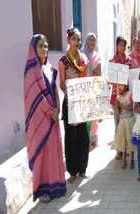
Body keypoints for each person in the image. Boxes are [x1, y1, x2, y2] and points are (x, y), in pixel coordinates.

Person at [24, 34, 66, 203]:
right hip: (41, 119)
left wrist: (57, 109)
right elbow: (36, 95)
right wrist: (51, 111)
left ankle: (56, 186)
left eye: (46, 46)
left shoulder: (49, 68)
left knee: (54, 151)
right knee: (42, 154)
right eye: (41, 46)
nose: (44, 49)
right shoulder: (31, 71)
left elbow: (55, 91)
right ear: (34, 48)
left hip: (53, 117)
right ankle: (42, 190)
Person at [59, 28, 90, 184]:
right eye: (74, 39)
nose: (77, 42)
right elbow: (62, 84)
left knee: (83, 137)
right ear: (68, 40)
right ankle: (72, 171)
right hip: (70, 104)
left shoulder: (83, 59)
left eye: (78, 39)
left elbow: (88, 80)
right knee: (71, 138)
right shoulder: (63, 61)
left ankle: (82, 169)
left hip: (82, 104)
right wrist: (71, 93)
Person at [109, 35, 132, 160]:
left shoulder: (129, 61)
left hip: (126, 97)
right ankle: (118, 150)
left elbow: (131, 78)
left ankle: (124, 148)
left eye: (124, 45)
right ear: (116, 46)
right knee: (117, 124)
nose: (122, 47)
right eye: (120, 45)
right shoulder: (112, 62)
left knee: (126, 123)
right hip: (116, 97)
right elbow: (111, 81)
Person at [81, 32, 102, 148]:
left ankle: (93, 138)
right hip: (83, 90)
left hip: (93, 90)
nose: (92, 42)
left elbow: (99, 75)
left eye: (94, 40)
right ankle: (84, 137)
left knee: (93, 114)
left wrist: (99, 91)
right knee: (84, 114)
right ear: (86, 41)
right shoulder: (81, 54)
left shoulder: (97, 57)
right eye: (90, 40)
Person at [114, 84, 137, 169]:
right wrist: (117, 105)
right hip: (122, 121)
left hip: (130, 121)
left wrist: (121, 105)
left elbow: (130, 108)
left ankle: (131, 160)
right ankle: (124, 161)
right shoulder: (118, 97)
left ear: (126, 86)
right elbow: (118, 112)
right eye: (118, 85)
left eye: (121, 85)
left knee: (130, 139)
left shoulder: (130, 94)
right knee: (123, 140)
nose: (119, 87)